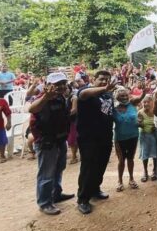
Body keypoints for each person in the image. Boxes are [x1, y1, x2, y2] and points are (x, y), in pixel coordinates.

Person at [28, 73, 75, 215]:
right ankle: (44, 203)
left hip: (60, 139)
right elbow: (32, 109)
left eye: (63, 83)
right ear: (48, 85)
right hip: (46, 142)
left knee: (59, 168)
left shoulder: (61, 97)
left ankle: (56, 194)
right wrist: (45, 98)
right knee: (46, 173)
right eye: (56, 84)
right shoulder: (43, 98)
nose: (60, 86)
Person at [76, 70, 117, 214]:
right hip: (89, 138)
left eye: (107, 79)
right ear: (94, 79)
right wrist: (104, 88)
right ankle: (83, 199)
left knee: (101, 165)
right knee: (88, 168)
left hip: (105, 136)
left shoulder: (108, 95)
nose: (105, 81)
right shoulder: (86, 91)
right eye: (101, 79)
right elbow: (83, 95)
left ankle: (95, 189)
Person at [113, 85, 145, 192]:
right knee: (121, 160)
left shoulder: (132, 103)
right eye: (121, 95)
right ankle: (119, 181)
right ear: (117, 97)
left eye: (126, 95)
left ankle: (131, 179)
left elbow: (140, 98)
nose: (124, 97)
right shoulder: (114, 108)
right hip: (120, 138)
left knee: (131, 158)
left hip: (133, 136)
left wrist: (144, 92)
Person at [138, 95, 157, 183]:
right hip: (144, 135)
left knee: (155, 154)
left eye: (148, 102)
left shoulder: (156, 111)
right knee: (144, 154)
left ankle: (154, 170)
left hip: (154, 136)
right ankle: (145, 172)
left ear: (152, 102)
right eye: (144, 102)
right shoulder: (140, 112)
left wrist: (155, 127)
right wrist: (139, 123)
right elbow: (139, 124)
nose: (146, 104)